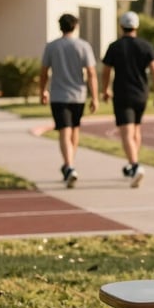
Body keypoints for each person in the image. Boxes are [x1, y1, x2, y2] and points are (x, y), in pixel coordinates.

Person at [101, 11, 154, 188]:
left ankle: (135, 165)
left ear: (121, 27)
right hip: (141, 94)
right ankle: (132, 163)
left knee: (126, 133)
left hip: (123, 94)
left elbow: (106, 70)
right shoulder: (146, 46)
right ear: (136, 26)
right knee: (136, 130)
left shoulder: (114, 47)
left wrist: (105, 89)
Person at [39, 13, 98, 188]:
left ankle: (69, 165)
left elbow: (44, 72)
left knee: (64, 130)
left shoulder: (52, 46)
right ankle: (69, 164)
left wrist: (42, 91)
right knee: (74, 129)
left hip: (58, 95)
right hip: (79, 95)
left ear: (60, 27)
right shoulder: (84, 46)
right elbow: (92, 73)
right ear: (76, 26)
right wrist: (94, 97)